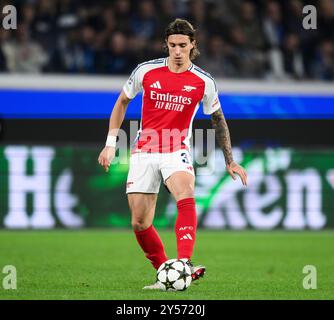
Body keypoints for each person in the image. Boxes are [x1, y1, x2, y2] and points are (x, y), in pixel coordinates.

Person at [98, 19, 247, 290]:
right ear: (166, 45)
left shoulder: (204, 81)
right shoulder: (146, 71)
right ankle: (167, 273)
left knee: (185, 193)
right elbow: (122, 102)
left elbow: (218, 120)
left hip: (176, 149)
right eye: (172, 45)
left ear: (193, 45)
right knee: (140, 222)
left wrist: (230, 160)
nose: (177, 51)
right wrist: (110, 143)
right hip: (144, 150)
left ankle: (185, 264)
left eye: (182, 45)